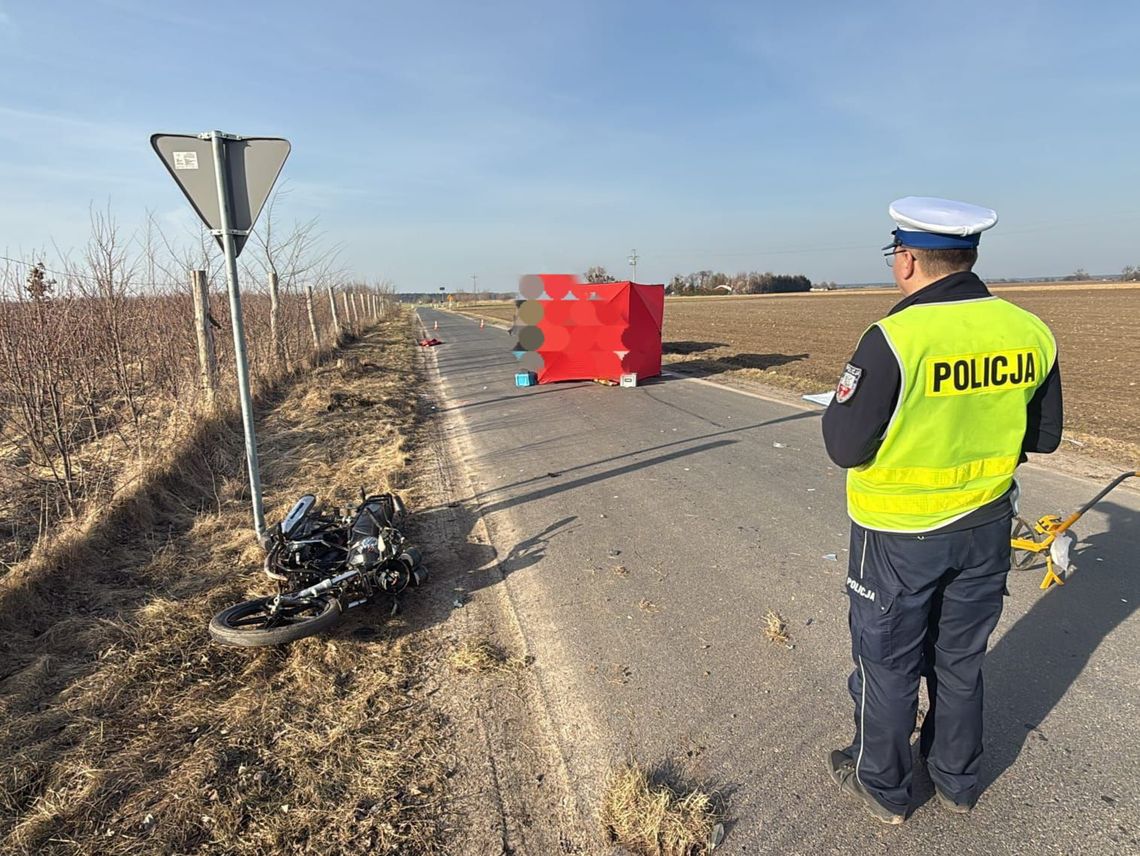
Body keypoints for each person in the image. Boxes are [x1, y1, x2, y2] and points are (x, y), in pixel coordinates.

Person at [821, 197, 1064, 824]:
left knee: (888, 664)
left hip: (897, 535)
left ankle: (884, 786)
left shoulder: (894, 338)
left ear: (905, 259)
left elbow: (844, 446)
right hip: (984, 525)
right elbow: (1043, 437)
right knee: (959, 659)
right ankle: (958, 780)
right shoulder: (1029, 331)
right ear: (969, 256)